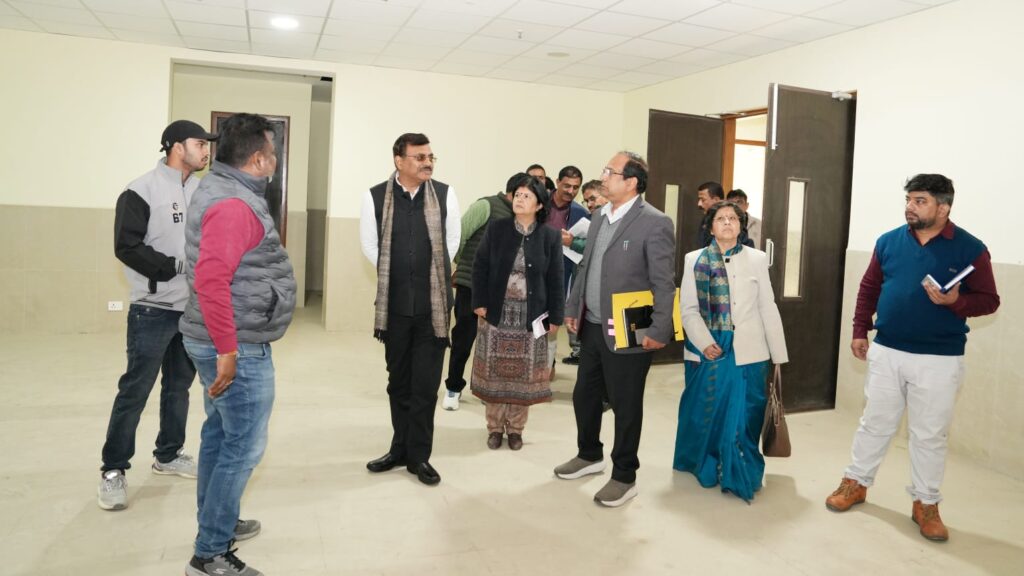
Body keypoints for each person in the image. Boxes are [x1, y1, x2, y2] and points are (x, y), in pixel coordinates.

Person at [825, 174, 1000, 542]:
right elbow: (869, 287)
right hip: (887, 350)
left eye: (920, 201)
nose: (910, 207)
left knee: (929, 434)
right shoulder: (888, 241)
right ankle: (855, 482)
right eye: (908, 199)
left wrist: (957, 302)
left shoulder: (971, 248)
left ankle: (926, 503)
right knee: (874, 422)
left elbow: (989, 300)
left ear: (943, 207)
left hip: (939, 358)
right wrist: (859, 329)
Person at [179, 113, 297, 576]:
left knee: (220, 433)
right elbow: (211, 279)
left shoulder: (222, 187)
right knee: (243, 446)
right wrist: (227, 350)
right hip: (235, 345)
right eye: (272, 152)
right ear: (258, 160)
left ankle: (217, 520)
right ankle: (210, 552)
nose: (275, 159)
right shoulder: (233, 204)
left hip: (219, 336)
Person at [97, 120, 215, 511]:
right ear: (177, 147)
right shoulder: (140, 190)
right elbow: (126, 246)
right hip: (153, 308)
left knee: (178, 387)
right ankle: (113, 470)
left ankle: (168, 454)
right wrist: (172, 267)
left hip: (191, 309)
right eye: (200, 143)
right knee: (135, 389)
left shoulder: (201, 191)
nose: (206, 150)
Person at [555, 152, 676, 507]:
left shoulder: (655, 222)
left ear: (632, 182)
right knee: (585, 396)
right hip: (592, 323)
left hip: (631, 324)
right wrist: (573, 307)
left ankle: (624, 475)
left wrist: (659, 328)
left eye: (611, 171)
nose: (604, 176)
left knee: (626, 404)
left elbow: (663, 281)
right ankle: (589, 454)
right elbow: (585, 266)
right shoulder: (598, 216)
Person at [360, 133, 460, 487]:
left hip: (433, 311)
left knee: (425, 386)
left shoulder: (445, 195)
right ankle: (398, 449)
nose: (427, 162)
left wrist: (430, 271)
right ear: (399, 160)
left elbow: (451, 241)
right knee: (398, 383)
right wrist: (397, 272)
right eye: (419, 157)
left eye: (430, 156)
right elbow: (370, 244)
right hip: (395, 308)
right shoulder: (375, 196)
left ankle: (420, 457)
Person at [673, 200, 788, 502]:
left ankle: (741, 470)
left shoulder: (757, 258)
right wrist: (704, 342)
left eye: (733, 218)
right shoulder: (694, 260)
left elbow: (767, 305)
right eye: (721, 218)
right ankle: (710, 464)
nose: (727, 222)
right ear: (710, 227)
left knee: (746, 415)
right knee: (707, 413)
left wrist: (778, 355)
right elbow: (688, 309)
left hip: (750, 351)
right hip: (710, 349)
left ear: (741, 226)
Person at [470, 174, 563, 450]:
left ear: (539, 205)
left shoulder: (549, 236)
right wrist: (479, 301)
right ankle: (494, 428)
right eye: (517, 194)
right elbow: (480, 266)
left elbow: (556, 278)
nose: (520, 199)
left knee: (524, 377)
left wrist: (556, 317)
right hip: (496, 314)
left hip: (531, 316)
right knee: (494, 375)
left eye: (527, 196)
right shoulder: (497, 228)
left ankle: (516, 430)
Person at [442, 179, 515, 411]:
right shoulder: (486, 205)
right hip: (471, 285)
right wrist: (465, 266)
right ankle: (453, 387)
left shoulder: (524, 217)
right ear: (513, 192)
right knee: (463, 338)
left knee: (493, 342)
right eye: (523, 194)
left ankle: (486, 388)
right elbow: (460, 236)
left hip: (501, 290)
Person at [544, 166, 588, 377]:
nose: (571, 191)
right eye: (567, 186)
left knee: (551, 323)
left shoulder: (580, 213)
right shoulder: (539, 202)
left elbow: (585, 245)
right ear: (557, 182)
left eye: (576, 187)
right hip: (533, 270)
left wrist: (573, 243)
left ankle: (548, 366)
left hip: (562, 274)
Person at [561, 179, 607, 365]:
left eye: (593, 198)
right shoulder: (592, 218)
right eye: (586, 200)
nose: (590, 204)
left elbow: (597, 247)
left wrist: (573, 242)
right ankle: (580, 351)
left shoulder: (612, 220)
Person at [696, 181, 724, 247]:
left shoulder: (731, 221)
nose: (699, 204)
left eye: (703, 200)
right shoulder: (706, 219)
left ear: (716, 200)